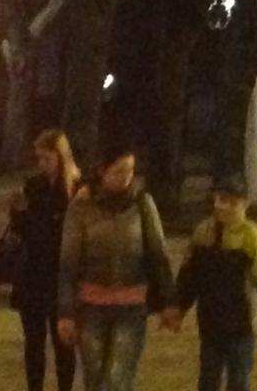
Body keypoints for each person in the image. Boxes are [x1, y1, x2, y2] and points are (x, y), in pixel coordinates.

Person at [57, 140, 174, 391]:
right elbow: (68, 262)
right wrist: (65, 313)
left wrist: (167, 302)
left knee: (118, 378)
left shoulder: (142, 203)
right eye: (119, 171)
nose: (125, 177)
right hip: (91, 306)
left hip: (131, 306)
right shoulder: (82, 206)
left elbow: (157, 254)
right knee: (95, 380)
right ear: (103, 170)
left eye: (130, 171)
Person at [164, 173, 257, 391]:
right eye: (218, 200)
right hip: (214, 321)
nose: (221, 207)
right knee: (213, 376)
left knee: (235, 378)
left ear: (244, 204)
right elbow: (190, 278)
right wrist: (179, 308)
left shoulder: (250, 238)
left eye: (228, 201)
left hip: (240, 322)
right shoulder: (205, 234)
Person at [10, 129, 81, 391]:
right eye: (38, 158)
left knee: (64, 342)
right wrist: (17, 214)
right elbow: (22, 230)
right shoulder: (33, 186)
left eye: (47, 158)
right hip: (33, 273)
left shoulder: (76, 190)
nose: (41, 164)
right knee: (34, 343)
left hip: (61, 274)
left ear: (61, 157)